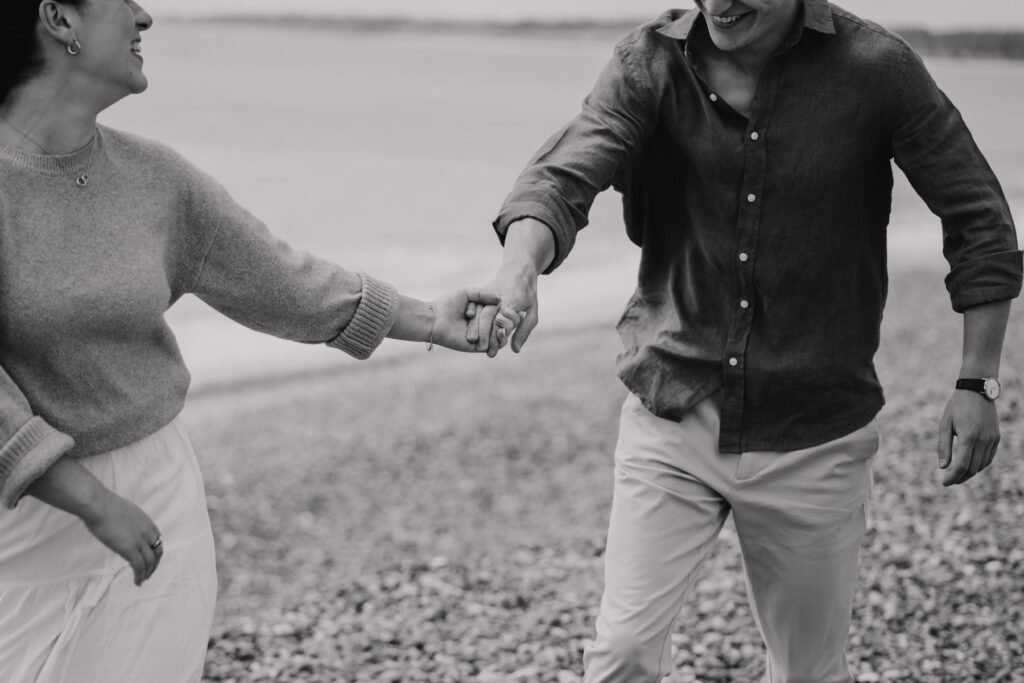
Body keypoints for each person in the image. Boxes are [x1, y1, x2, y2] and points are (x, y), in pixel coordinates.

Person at [477, 0, 1021, 681]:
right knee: (621, 657)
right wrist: (518, 269)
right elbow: (564, 175)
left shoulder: (877, 69)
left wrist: (978, 380)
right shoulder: (648, 62)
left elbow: (979, 216)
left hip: (814, 429)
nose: (721, 3)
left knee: (807, 672)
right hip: (673, 408)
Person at [0, 1, 517, 681]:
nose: (144, 16)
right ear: (59, 19)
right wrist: (91, 502)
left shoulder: (157, 179)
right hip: (29, 513)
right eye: (124, 1)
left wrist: (428, 320)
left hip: (157, 496)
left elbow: (284, 281)